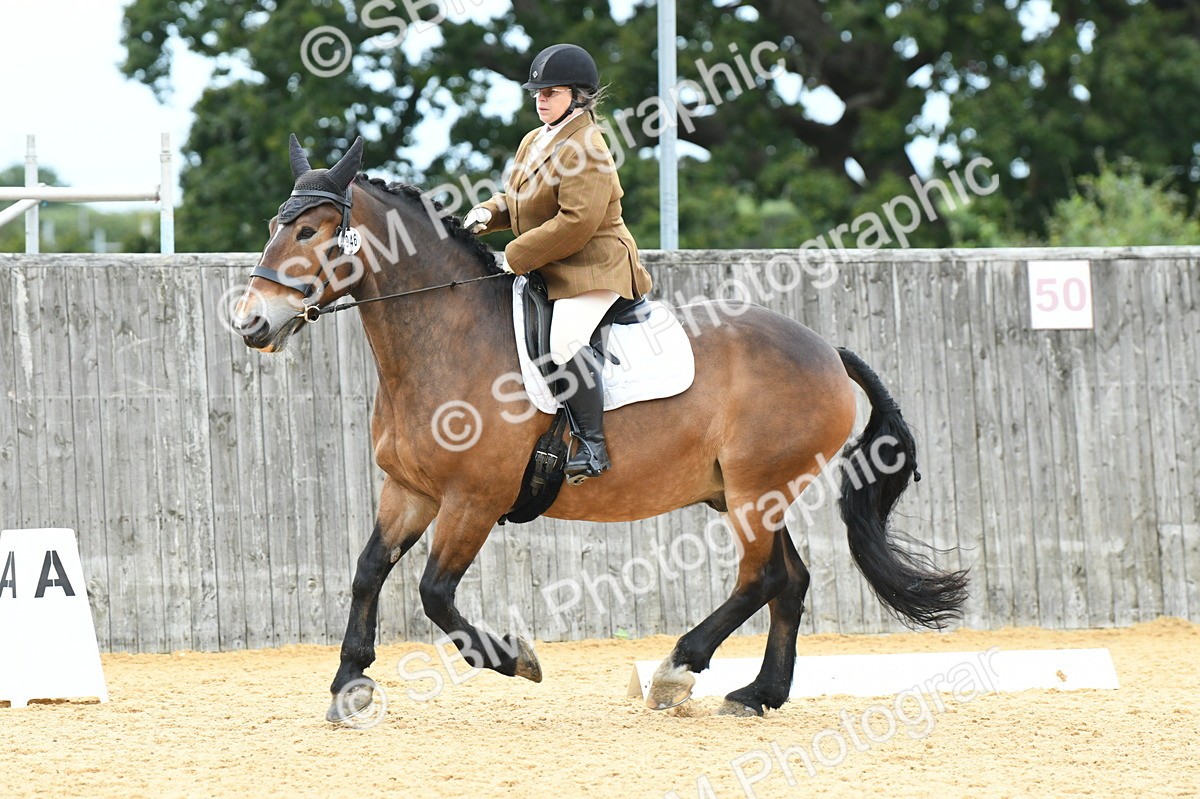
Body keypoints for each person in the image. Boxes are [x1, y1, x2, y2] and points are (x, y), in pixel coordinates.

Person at [465, 43, 653, 482]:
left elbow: (577, 221)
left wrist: (515, 255)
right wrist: (488, 213)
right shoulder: (535, 140)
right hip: (553, 264)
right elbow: (518, 199)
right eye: (537, 92)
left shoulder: (589, 146)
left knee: (565, 341)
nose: (541, 99)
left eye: (551, 92)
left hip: (594, 267)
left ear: (578, 96)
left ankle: (592, 445)